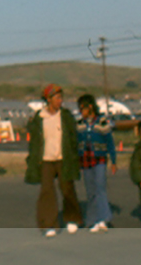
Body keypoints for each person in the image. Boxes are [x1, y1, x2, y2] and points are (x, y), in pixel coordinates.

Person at [26, 83, 82, 238]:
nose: (60, 101)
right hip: (46, 159)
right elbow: (35, 141)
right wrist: (33, 159)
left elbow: (73, 137)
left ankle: (72, 218)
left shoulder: (66, 116)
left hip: (63, 158)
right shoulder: (40, 118)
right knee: (46, 191)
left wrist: (74, 156)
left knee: (67, 189)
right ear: (48, 99)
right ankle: (49, 224)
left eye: (61, 97)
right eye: (57, 98)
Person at [76, 94, 117, 233]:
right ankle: (92, 220)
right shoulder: (80, 124)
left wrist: (114, 160)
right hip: (85, 161)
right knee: (90, 191)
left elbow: (110, 142)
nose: (81, 111)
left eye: (83, 108)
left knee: (100, 188)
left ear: (90, 107)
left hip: (99, 159)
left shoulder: (102, 122)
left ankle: (104, 218)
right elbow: (76, 143)